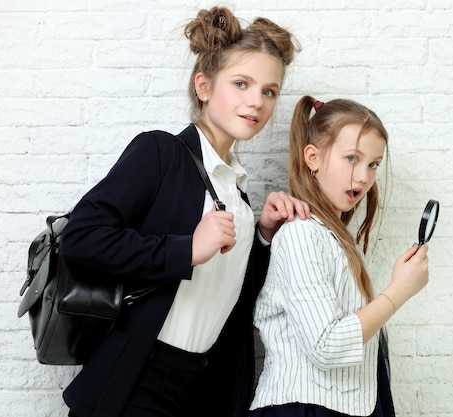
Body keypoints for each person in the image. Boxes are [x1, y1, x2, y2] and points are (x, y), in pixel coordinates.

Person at [59, 7, 307, 417]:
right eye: (241, 83)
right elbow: (81, 239)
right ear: (204, 86)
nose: (256, 101)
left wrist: (261, 235)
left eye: (269, 91)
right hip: (138, 378)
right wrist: (186, 250)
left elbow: (228, 297)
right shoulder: (160, 153)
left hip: (202, 387)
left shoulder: (237, 189)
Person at [250, 96, 430, 417]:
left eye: (373, 164)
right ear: (313, 158)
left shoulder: (338, 240)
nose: (363, 177)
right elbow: (327, 346)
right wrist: (398, 291)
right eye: (352, 158)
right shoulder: (302, 234)